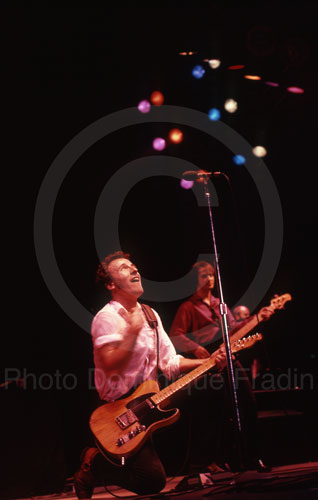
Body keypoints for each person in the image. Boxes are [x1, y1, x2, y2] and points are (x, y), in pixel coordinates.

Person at [74, 251, 227, 499]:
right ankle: (94, 463)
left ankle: (208, 461)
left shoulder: (150, 315)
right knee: (152, 481)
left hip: (148, 402)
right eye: (125, 268)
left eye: (134, 266)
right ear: (111, 284)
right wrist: (132, 334)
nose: (135, 270)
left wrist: (208, 361)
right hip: (118, 410)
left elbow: (169, 362)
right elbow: (110, 363)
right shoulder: (107, 317)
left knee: (211, 386)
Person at [169, 260, 274, 471]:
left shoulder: (221, 305)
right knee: (215, 412)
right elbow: (176, 336)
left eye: (211, 275)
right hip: (208, 367)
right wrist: (196, 348)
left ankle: (253, 456)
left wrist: (258, 318)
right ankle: (211, 461)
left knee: (248, 403)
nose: (209, 279)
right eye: (204, 276)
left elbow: (234, 331)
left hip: (229, 360)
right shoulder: (188, 307)